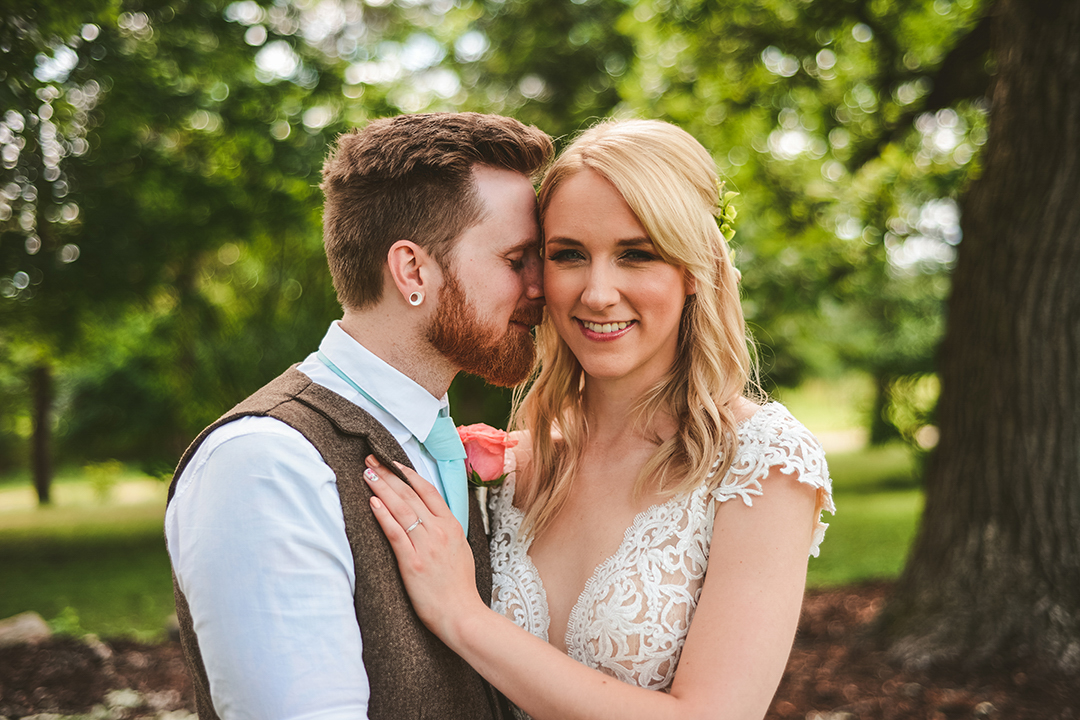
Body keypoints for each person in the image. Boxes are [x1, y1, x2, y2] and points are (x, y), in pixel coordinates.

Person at [362, 118, 835, 720]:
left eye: (636, 254)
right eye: (568, 255)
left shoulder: (760, 461)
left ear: (693, 269)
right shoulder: (516, 465)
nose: (597, 293)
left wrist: (463, 617)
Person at [163, 112, 553, 720]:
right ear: (412, 270)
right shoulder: (265, 464)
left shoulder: (433, 439)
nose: (544, 286)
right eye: (516, 260)